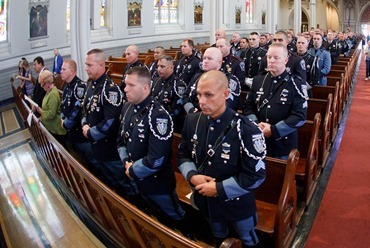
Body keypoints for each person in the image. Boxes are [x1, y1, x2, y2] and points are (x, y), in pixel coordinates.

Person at [178, 70, 266, 247]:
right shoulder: (192, 120)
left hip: (237, 205)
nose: (201, 101)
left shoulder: (247, 129)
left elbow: (255, 177)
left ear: (226, 94)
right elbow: (183, 154)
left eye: (209, 95)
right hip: (207, 202)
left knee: (248, 239)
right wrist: (192, 175)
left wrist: (218, 189)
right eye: (199, 95)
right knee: (218, 236)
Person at [117, 66, 190, 236]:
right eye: (125, 84)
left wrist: (133, 169)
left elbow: (157, 159)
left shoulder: (158, 115)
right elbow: (121, 140)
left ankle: (185, 238)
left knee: (174, 216)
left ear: (145, 87)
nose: (125, 89)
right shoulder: (127, 107)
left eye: (130, 85)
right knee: (157, 217)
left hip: (157, 183)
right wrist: (126, 162)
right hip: (137, 178)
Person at [243, 43, 308, 159]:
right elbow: (248, 107)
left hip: (282, 144)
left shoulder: (296, 84)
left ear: (285, 60)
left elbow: (300, 117)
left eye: (276, 58)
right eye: (269, 57)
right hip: (257, 140)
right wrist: (256, 125)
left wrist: (273, 130)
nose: (271, 61)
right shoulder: (258, 80)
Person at [82, 49, 130, 196]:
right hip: (97, 147)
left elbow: (110, 121)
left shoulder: (110, 90)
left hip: (110, 149)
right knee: (109, 181)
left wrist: (90, 133)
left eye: (89, 65)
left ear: (101, 65)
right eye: (86, 64)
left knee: (124, 184)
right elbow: (85, 108)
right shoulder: (91, 85)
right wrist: (84, 123)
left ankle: (135, 209)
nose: (86, 68)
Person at [60, 59, 96, 167]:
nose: (60, 71)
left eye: (63, 69)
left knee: (93, 163)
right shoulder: (67, 87)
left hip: (80, 134)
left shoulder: (79, 87)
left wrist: (66, 123)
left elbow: (77, 110)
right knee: (83, 162)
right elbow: (63, 106)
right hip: (72, 134)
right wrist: (62, 118)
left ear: (71, 71)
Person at [182, 47, 241, 114]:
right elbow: (185, 96)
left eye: (209, 59)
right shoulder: (197, 77)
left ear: (219, 62)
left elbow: (228, 104)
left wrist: (203, 113)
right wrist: (191, 110)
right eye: (204, 58)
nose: (205, 61)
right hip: (194, 116)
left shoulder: (228, 79)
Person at [152, 55, 186, 132]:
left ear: (171, 68)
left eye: (162, 66)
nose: (159, 69)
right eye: (158, 66)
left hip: (170, 125)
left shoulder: (178, 85)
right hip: (153, 120)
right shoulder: (156, 81)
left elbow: (177, 111)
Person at [32, 70, 67, 147]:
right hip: (50, 125)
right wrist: (41, 118)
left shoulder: (53, 94)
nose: (42, 87)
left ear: (48, 83)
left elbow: (51, 114)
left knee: (61, 148)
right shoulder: (48, 91)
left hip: (56, 128)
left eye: (42, 85)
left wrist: (41, 112)